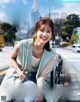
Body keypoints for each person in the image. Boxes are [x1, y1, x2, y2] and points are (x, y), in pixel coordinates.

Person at [0, 17, 64, 102]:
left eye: (48, 31)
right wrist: (18, 71)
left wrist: (40, 92)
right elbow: (11, 58)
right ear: (36, 31)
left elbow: (41, 76)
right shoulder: (22, 44)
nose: (44, 34)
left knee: (30, 95)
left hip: (34, 78)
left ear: (51, 35)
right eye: (42, 30)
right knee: (4, 98)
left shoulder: (51, 54)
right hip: (16, 74)